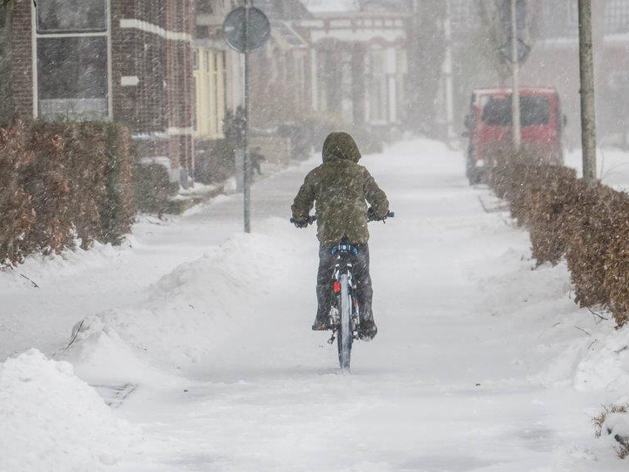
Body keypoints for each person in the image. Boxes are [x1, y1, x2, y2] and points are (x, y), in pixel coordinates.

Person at [291, 132, 389, 340]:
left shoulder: (317, 174)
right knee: (362, 277)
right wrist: (379, 213)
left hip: (330, 234)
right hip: (356, 233)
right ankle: (367, 319)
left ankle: (323, 316)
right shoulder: (360, 173)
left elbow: (302, 202)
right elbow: (379, 200)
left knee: (325, 274)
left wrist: (300, 218)